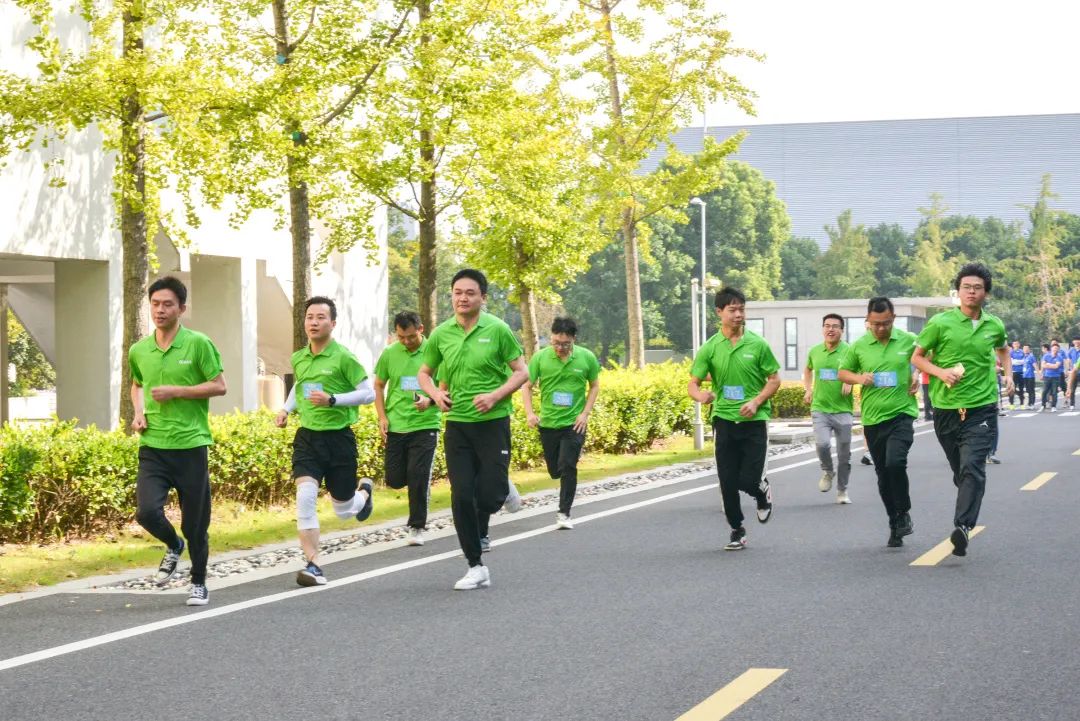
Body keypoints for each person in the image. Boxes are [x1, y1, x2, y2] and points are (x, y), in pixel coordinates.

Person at [418, 269, 529, 590]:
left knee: (489, 495)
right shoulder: (441, 334)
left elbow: (522, 372)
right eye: (457, 292)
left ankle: (503, 487)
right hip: (458, 425)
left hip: (493, 424)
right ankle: (475, 565)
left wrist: (495, 396)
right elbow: (424, 373)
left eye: (470, 293)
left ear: (482, 297)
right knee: (462, 495)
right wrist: (436, 395)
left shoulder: (498, 329)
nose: (463, 298)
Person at [129, 276, 227, 606]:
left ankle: (198, 581)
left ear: (181, 308)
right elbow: (137, 385)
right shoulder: (139, 350)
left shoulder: (198, 344)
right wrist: (138, 412)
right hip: (153, 446)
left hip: (191, 445)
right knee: (146, 512)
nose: (160, 310)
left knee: (195, 524)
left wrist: (178, 391)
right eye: (155, 304)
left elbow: (219, 385)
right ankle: (173, 545)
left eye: (167, 304)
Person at [275, 297, 376, 587]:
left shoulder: (343, 357)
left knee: (343, 510)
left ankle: (364, 494)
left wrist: (333, 400)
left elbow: (368, 393)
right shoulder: (299, 357)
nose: (314, 322)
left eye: (321, 317)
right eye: (310, 317)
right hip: (308, 438)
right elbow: (300, 386)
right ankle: (313, 564)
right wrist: (286, 409)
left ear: (332, 323)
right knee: (305, 497)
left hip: (339, 439)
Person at [912, 263, 1010, 557]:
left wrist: (1009, 374)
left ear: (986, 293)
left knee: (973, 467)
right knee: (961, 471)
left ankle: (963, 527)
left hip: (982, 408)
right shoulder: (940, 323)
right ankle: (968, 490)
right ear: (958, 292)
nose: (971, 292)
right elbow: (917, 358)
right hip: (946, 409)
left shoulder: (994, 325)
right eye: (966, 287)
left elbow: (1003, 349)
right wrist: (940, 373)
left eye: (977, 288)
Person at [688, 286, 781, 551]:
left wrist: (756, 401)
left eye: (742, 309)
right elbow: (693, 383)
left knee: (748, 480)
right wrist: (701, 396)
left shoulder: (758, 344)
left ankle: (761, 492)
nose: (739, 314)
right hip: (724, 419)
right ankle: (737, 529)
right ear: (719, 312)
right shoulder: (710, 348)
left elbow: (774, 379)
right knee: (727, 481)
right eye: (733, 310)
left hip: (754, 421)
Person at [838, 297, 919, 548]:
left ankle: (903, 511)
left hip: (902, 413)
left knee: (896, 462)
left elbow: (926, 357)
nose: (881, 328)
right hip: (873, 420)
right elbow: (842, 373)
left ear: (893, 318)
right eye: (875, 324)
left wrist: (917, 373)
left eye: (885, 323)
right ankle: (894, 522)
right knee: (883, 474)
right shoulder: (859, 346)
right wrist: (860, 378)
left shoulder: (908, 340)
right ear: (868, 321)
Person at [521, 317, 601, 529]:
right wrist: (530, 413)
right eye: (556, 342)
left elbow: (594, 385)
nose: (560, 348)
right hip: (548, 424)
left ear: (574, 339)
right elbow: (526, 386)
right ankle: (560, 480)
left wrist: (585, 413)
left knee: (568, 465)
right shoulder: (540, 358)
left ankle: (564, 513)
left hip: (574, 424)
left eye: (565, 344)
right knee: (555, 470)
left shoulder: (586, 357)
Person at [374, 311, 442, 546]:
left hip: (425, 424)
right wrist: (382, 417)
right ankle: (416, 498)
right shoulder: (390, 353)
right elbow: (378, 385)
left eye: (411, 337)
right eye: (401, 337)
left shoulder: (435, 352)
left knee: (418, 476)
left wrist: (429, 401)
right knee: (394, 479)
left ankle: (417, 527)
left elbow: (446, 389)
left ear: (420, 329)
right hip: (397, 425)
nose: (406, 341)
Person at [802, 314, 854, 503]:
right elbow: (808, 369)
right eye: (827, 325)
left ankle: (842, 491)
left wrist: (850, 380)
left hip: (843, 410)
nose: (830, 329)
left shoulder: (850, 351)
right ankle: (828, 471)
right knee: (822, 444)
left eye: (835, 326)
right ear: (823, 328)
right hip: (820, 408)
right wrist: (808, 389)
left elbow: (860, 370)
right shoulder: (815, 351)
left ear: (842, 330)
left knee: (844, 455)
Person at [1040, 341, 1064, 412]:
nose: (1055, 349)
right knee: (1044, 391)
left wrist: (1048, 364)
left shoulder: (1059, 357)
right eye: (1054, 348)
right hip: (1047, 376)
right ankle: (1043, 405)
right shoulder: (1046, 356)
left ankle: (1053, 406)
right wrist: (1050, 365)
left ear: (1058, 349)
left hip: (1056, 377)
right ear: (1051, 348)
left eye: (1057, 348)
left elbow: (1056, 366)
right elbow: (1043, 365)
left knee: (1054, 392)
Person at [1007, 340, 1025, 409]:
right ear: (1013, 345)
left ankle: (1022, 404)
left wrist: (1016, 361)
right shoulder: (1011, 352)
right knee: (1012, 388)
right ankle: (1011, 404)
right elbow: (1011, 362)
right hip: (1013, 372)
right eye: (1014, 344)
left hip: (1021, 372)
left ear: (1019, 344)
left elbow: (1024, 361)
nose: (1016, 345)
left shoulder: (1022, 352)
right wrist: (1019, 361)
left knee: (1021, 388)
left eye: (1017, 344)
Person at [1021, 344, 1037, 410]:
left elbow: (1035, 365)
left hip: (1030, 376)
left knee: (1031, 390)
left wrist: (1039, 374)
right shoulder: (1024, 357)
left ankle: (1032, 404)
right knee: (1028, 391)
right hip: (1025, 376)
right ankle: (1029, 403)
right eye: (1024, 348)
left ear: (1029, 349)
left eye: (1027, 348)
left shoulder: (1031, 356)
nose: (1025, 350)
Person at [1066, 337, 1080, 410]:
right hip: (1073, 372)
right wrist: (1069, 369)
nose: (1076, 342)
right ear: (1073, 342)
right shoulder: (1071, 350)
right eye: (1075, 340)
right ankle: (1072, 404)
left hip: (1077, 370)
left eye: (1078, 340)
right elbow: (1069, 360)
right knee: (1072, 389)